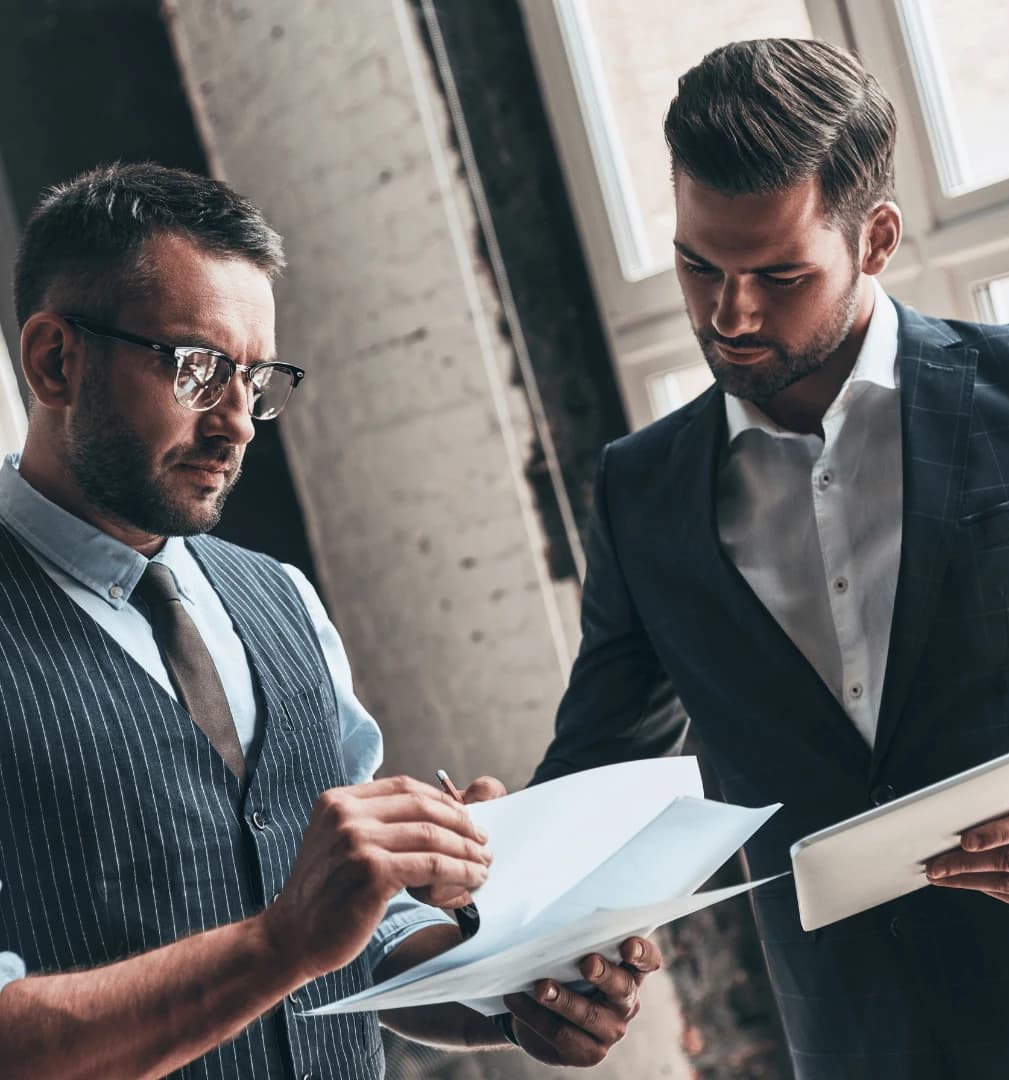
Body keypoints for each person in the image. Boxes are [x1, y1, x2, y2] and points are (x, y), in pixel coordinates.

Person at [0, 162, 661, 1079]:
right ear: (54, 359)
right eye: (198, 371)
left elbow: (370, 935)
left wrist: (514, 989)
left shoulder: (282, 601)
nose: (239, 424)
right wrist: (283, 942)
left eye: (255, 378)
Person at [531, 36, 1009, 1080]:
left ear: (875, 238)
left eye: (780, 274)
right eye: (699, 265)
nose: (729, 315)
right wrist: (494, 877)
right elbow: (602, 774)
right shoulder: (641, 491)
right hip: (852, 1046)